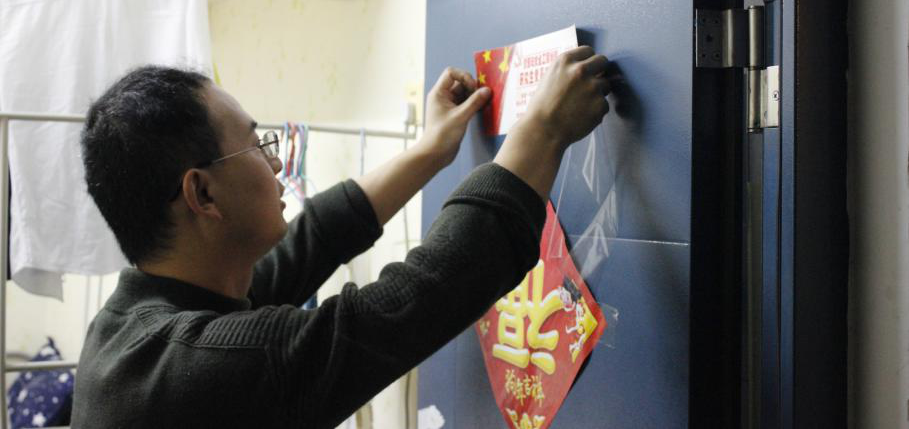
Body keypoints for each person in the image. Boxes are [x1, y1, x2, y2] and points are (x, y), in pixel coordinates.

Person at [71, 47, 611, 428]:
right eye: (257, 145)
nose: (274, 162)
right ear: (203, 194)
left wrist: (430, 149)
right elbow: (419, 299)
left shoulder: (135, 322)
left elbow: (315, 239)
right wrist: (543, 131)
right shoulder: (204, 370)